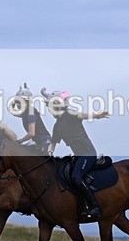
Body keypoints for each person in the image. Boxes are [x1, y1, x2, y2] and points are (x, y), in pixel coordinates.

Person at [44, 88, 109, 219]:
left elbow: (82, 115)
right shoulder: (57, 126)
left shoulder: (70, 114)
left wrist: (96, 115)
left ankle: (94, 206)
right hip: (77, 155)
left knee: (76, 177)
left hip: (87, 153)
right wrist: (49, 152)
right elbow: (53, 142)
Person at [11, 83, 52, 154]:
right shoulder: (26, 113)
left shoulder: (30, 113)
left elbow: (31, 133)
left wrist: (20, 141)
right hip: (39, 142)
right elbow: (16, 114)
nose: (18, 105)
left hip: (44, 141)